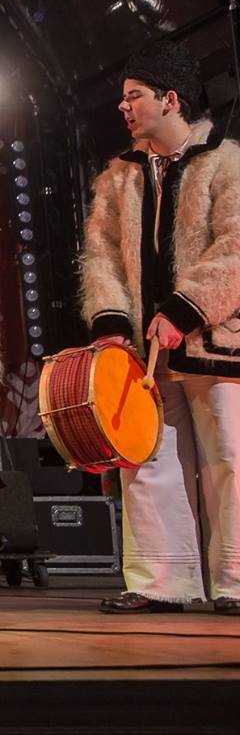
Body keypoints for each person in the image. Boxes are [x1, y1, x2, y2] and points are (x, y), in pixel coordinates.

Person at [81, 40, 240, 616]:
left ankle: (236, 581)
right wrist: (113, 322)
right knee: (145, 455)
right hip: (145, 348)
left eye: (135, 96)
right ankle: (160, 581)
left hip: (215, 341)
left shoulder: (227, 162)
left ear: (170, 99)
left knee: (228, 458)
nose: (124, 108)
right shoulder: (119, 177)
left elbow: (236, 248)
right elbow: (99, 255)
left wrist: (185, 310)